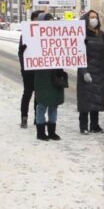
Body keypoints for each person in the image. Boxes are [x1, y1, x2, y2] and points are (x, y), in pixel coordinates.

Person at [76, 10, 104, 134]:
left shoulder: (101, 34)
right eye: (91, 17)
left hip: (99, 71)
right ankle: (83, 126)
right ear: (86, 19)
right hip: (87, 72)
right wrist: (84, 71)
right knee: (85, 100)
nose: (94, 19)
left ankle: (94, 125)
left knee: (96, 99)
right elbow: (78, 54)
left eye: (95, 17)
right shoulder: (81, 35)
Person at [33, 13, 64, 141]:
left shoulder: (58, 37)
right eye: (47, 21)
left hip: (55, 74)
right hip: (41, 75)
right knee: (41, 105)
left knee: (54, 104)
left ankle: (52, 131)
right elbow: (26, 58)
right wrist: (24, 52)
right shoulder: (33, 37)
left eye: (51, 21)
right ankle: (41, 132)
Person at [18, 10, 43, 128]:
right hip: (28, 71)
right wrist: (24, 67)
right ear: (33, 20)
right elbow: (21, 54)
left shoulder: (45, 34)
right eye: (38, 19)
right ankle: (24, 117)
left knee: (39, 95)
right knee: (27, 93)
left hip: (40, 69)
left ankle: (38, 118)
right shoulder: (26, 35)